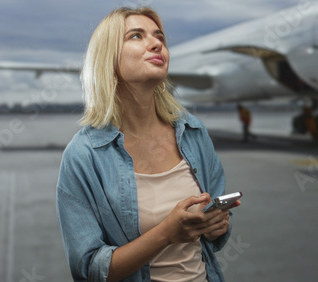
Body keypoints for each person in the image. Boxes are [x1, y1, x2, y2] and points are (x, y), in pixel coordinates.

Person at [56, 7, 240, 282]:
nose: (156, 43)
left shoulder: (193, 131)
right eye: (136, 36)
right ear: (109, 58)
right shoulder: (83, 156)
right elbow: (90, 271)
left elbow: (214, 237)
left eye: (160, 37)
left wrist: (216, 226)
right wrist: (166, 233)